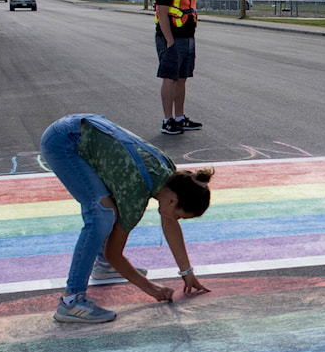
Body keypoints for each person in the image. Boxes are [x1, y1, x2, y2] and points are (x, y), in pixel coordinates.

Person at [40, 114, 214, 323]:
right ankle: (71, 302)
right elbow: (115, 253)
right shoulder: (136, 191)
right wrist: (150, 288)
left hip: (79, 127)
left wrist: (187, 272)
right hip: (63, 142)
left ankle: (104, 268)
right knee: (101, 213)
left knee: (110, 205)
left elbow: (169, 222)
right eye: (180, 215)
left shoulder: (168, 175)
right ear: (173, 201)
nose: (176, 220)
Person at [155, 0, 203, 135]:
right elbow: (162, 13)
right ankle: (167, 121)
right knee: (169, 78)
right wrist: (169, 41)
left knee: (182, 78)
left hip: (188, 38)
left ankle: (180, 118)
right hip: (172, 40)